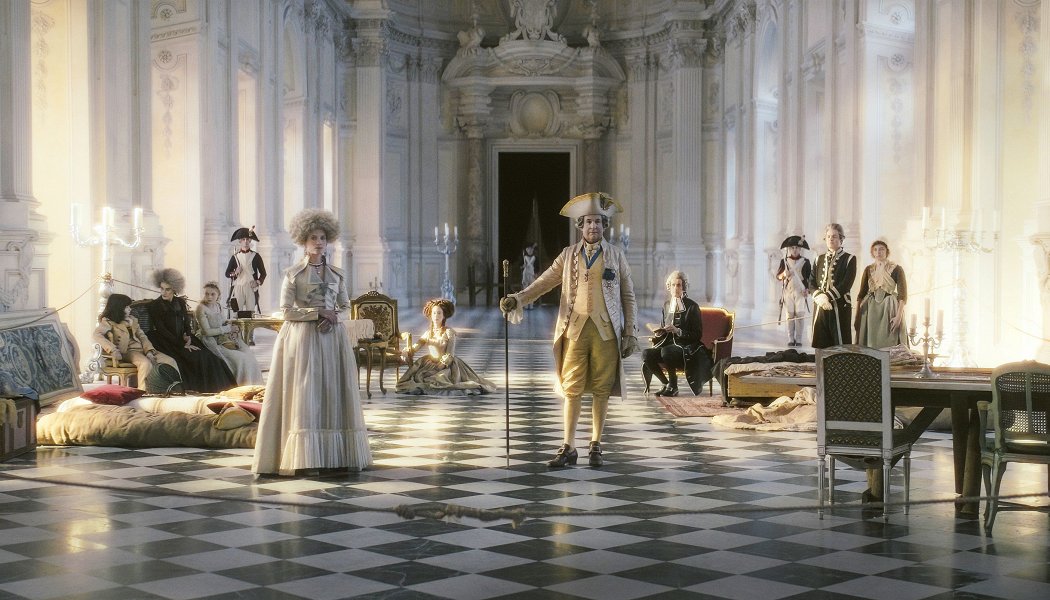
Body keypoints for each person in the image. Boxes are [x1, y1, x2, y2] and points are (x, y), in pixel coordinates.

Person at [500, 192, 638, 468]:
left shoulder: (616, 255)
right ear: (580, 226)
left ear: (604, 225)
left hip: (606, 331)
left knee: (601, 388)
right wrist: (518, 298)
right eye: (588, 222)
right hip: (574, 330)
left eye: (598, 221)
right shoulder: (567, 255)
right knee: (571, 387)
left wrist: (630, 332)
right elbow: (543, 282)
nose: (593, 226)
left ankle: (596, 444)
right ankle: (569, 446)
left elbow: (628, 296)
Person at [252, 208, 372, 476]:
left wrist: (335, 316)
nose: (319, 242)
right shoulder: (293, 273)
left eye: (323, 238)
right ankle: (305, 459)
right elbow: (285, 311)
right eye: (313, 238)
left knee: (333, 392)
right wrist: (317, 313)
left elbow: (345, 306)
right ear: (303, 241)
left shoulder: (337, 274)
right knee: (306, 395)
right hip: (304, 339)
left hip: (333, 339)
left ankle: (335, 457)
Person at [145, 268, 236, 393]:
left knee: (209, 356)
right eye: (162, 289)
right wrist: (182, 344)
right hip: (166, 341)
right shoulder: (155, 305)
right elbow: (162, 330)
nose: (164, 292)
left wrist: (188, 337)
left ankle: (222, 390)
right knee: (195, 358)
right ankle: (202, 390)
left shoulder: (180, 302)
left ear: (174, 289)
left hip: (184, 339)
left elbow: (186, 323)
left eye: (167, 289)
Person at [397, 298, 497, 396]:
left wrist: (441, 365)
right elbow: (415, 347)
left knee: (439, 379)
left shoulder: (448, 332)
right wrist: (406, 351)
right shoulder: (428, 333)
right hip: (430, 362)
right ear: (430, 315)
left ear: (444, 316)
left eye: (439, 313)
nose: (436, 316)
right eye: (434, 313)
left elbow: (450, 354)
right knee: (418, 377)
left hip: (447, 365)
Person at [93, 293, 180, 391]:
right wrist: (112, 349)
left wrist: (149, 351)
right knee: (145, 364)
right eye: (126, 307)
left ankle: (174, 389)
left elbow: (142, 337)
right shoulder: (108, 321)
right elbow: (97, 335)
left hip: (142, 350)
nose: (130, 309)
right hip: (128, 351)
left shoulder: (132, 320)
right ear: (118, 308)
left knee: (170, 361)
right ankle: (143, 391)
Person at [642, 270, 709, 396]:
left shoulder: (692, 306)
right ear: (669, 287)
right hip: (667, 346)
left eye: (678, 285)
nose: (675, 288)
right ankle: (666, 383)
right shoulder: (667, 305)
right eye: (673, 285)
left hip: (686, 348)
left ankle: (674, 386)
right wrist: (659, 332)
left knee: (666, 351)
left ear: (684, 287)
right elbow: (664, 327)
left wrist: (678, 331)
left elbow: (697, 335)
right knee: (646, 354)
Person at [194, 282, 264, 385]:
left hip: (223, 337)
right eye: (206, 294)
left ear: (218, 295)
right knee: (240, 359)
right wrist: (227, 329)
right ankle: (239, 385)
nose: (209, 297)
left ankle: (251, 385)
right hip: (210, 340)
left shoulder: (218, 305)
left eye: (212, 294)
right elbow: (207, 332)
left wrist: (232, 328)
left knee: (249, 355)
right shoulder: (201, 308)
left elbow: (223, 322)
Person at [808, 223, 857, 349]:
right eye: (828, 236)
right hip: (820, 306)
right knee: (821, 342)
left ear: (841, 239)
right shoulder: (818, 259)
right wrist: (820, 297)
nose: (831, 239)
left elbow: (846, 283)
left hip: (840, 306)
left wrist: (827, 297)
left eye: (834, 236)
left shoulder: (850, 259)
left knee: (840, 344)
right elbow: (811, 282)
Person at [855, 239, 909, 350]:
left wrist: (898, 316)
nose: (878, 252)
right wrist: (857, 316)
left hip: (889, 307)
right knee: (871, 343)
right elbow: (861, 294)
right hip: (871, 309)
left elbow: (902, 294)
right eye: (875, 250)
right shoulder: (868, 269)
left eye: (881, 249)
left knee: (889, 341)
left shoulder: (896, 269)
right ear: (872, 253)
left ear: (887, 251)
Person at [775, 235, 812, 347]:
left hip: (801, 291)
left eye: (797, 248)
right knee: (789, 315)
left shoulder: (805, 261)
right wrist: (784, 274)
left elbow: (810, 278)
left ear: (800, 249)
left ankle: (799, 339)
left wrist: (808, 290)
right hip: (788, 291)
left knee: (800, 315)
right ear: (789, 249)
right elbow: (778, 277)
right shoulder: (784, 261)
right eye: (792, 248)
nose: (795, 250)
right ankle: (791, 338)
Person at [226, 226, 267, 318]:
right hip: (238, 286)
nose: (245, 241)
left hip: (251, 287)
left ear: (250, 240)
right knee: (236, 313)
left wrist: (257, 282)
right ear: (240, 241)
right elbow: (227, 273)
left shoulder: (256, 256)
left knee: (250, 313)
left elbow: (263, 273)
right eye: (243, 239)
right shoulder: (235, 257)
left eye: (247, 239)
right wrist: (235, 272)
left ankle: (250, 328)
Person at [521, 243, 537, 309]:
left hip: (532, 273)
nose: (529, 250)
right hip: (526, 273)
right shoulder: (524, 257)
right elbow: (521, 266)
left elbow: (537, 266)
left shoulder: (535, 257)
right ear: (526, 250)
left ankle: (531, 304)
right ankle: (526, 304)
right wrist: (523, 266)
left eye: (531, 249)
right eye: (528, 249)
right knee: (525, 289)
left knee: (532, 289)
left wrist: (536, 273)